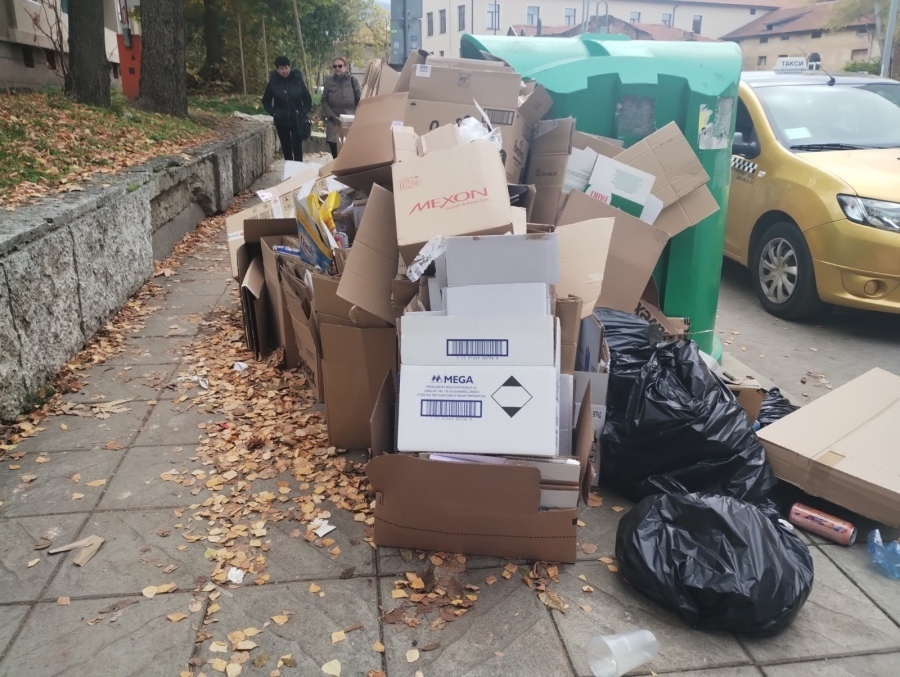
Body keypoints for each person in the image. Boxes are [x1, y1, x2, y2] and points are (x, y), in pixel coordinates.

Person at [262, 56, 312, 162]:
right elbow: (265, 101)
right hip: (281, 120)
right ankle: (289, 168)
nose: (284, 71)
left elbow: (307, 99)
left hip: (296, 120)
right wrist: (273, 112)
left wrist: (303, 112)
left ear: (290, 67)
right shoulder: (273, 82)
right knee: (286, 147)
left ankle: (298, 168)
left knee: (297, 146)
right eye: (281, 68)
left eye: (286, 68)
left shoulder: (298, 80)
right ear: (277, 69)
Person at [321, 56, 361, 158]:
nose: (337, 68)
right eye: (335, 66)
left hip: (349, 120)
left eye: (340, 66)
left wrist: (355, 115)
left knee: (348, 151)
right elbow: (324, 100)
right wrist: (330, 115)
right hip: (334, 120)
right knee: (334, 148)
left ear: (345, 67)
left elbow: (360, 100)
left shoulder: (352, 81)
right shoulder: (329, 81)